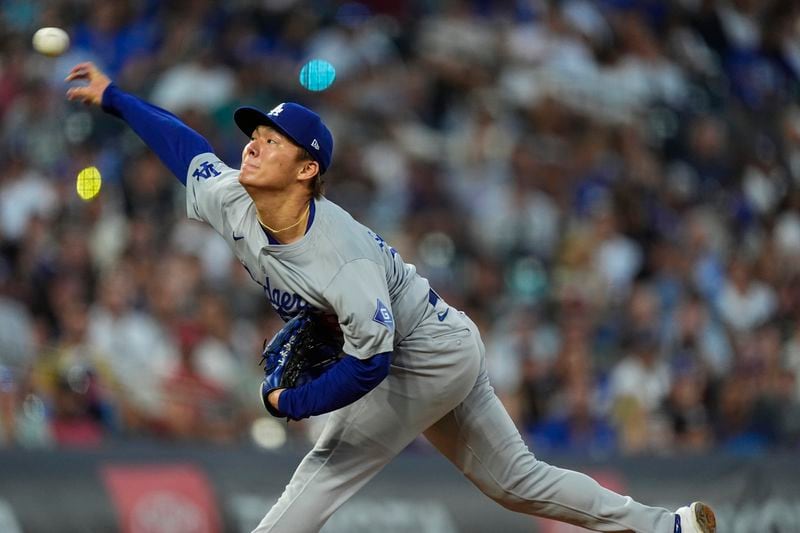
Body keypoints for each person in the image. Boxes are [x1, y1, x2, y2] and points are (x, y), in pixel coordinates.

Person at [65, 61, 716, 533]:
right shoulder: (232, 195)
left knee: (324, 470)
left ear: (307, 169)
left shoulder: (338, 257)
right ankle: (671, 526)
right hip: (441, 337)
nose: (254, 141)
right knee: (517, 482)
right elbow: (187, 149)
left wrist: (291, 400)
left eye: (272, 139)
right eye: (255, 132)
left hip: (420, 355)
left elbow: (370, 365)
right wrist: (116, 97)